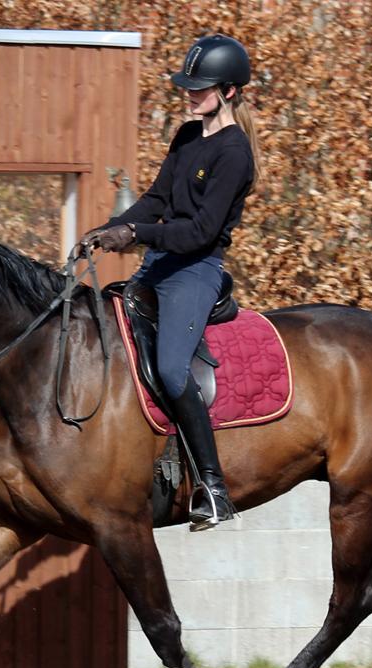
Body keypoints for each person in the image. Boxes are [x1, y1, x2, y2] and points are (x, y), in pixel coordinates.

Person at [81, 33, 261, 530]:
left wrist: (134, 232)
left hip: (196, 270)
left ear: (227, 90)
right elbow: (158, 200)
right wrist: (106, 230)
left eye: (199, 87)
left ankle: (213, 486)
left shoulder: (235, 154)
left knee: (173, 368)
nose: (190, 93)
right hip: (160, 263)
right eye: (188, 85)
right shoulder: (186, 137)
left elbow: (201, 231)